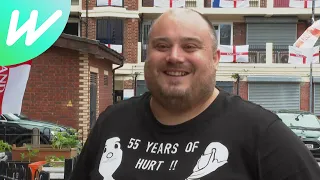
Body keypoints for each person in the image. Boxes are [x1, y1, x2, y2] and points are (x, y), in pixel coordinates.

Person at [69, 8, 320, 180]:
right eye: (162, 46)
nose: (174, 57)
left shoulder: (261, 133)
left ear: (215, 59)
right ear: (147, 56)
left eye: (190, 46)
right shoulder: (113, 122)